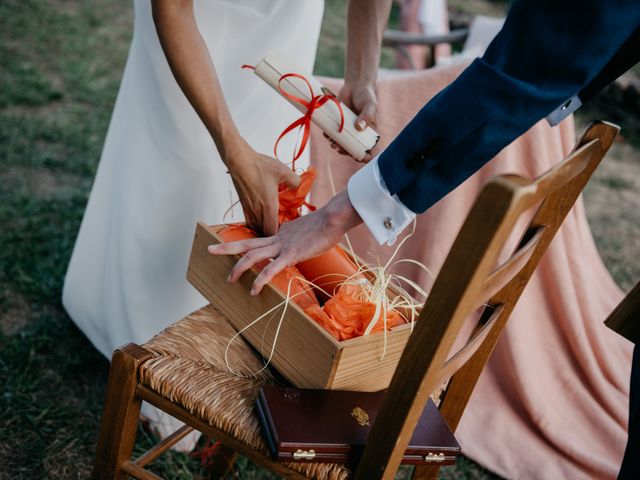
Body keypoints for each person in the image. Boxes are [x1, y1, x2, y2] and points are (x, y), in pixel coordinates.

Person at [62, 0, 323, 447]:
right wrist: (233, 151)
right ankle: (150, 351)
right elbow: (174, 9)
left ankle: (226, 357)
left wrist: (363, 68)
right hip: (189, 13)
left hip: (289, 16)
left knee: (263, 154)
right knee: (181, 153)